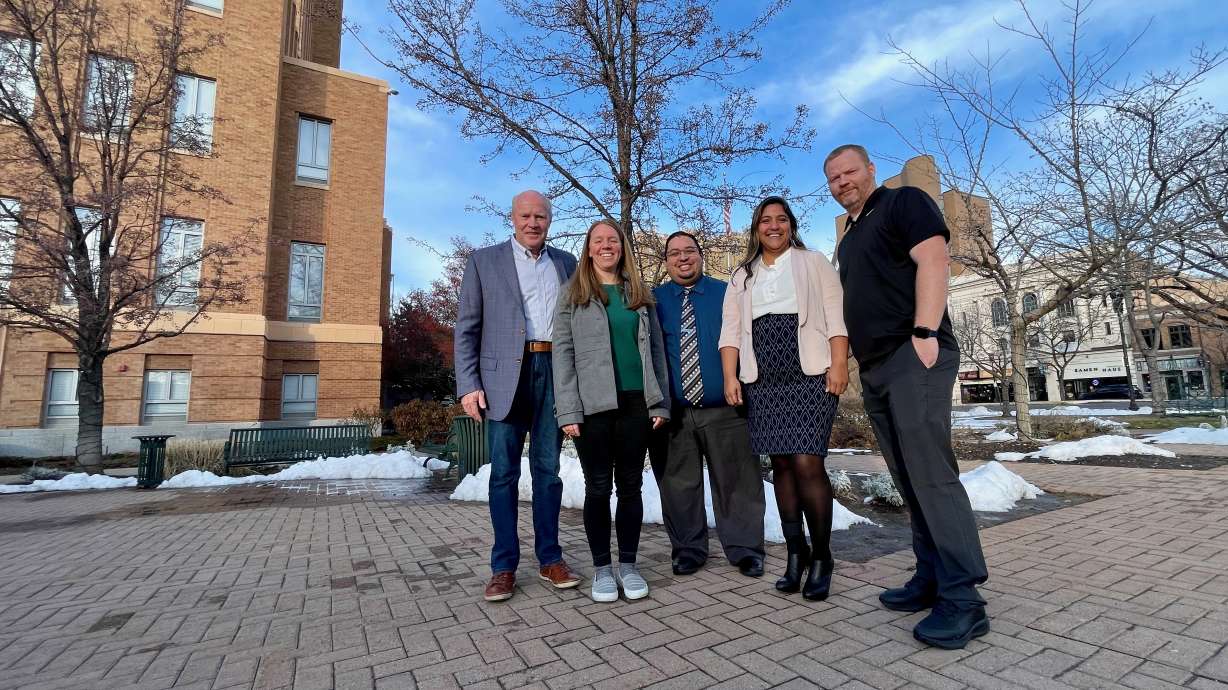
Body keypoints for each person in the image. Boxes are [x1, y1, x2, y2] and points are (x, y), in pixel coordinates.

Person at [826, 143, 989, 649]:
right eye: (833, 177)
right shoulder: (850, 237)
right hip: (877, 368)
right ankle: (931, 576)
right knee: (908, 478)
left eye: (850, 171)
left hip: (911, 354)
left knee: (932, 476)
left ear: (870, 169)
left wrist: (924, 332)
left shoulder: (903, 202)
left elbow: (934, 259)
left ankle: (963, 599)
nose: (842, 182)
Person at [718, 196, 849, 601]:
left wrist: (839, 364)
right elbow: (730, 331)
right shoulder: (742, 276)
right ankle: (797, 553)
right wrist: (730, 376)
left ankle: (822, 556)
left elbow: (836, 316)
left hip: (809, 374)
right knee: (781, 465)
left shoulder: (813, 262)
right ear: (756, 229)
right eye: (765, 221)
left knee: (807, 461)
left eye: (780, 219)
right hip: (763, 380)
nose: (773, 226)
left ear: (790, 225)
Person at [455, 190, 582, 602]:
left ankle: (550, 558)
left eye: (540, 216)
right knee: (503, 474)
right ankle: (503, 566)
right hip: (502, 378)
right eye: (525, 216)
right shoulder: (483, 261)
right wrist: (468, 384)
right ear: (512, 218)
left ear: (550, 220)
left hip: (554, 372)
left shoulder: (567, 263)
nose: (533, 223)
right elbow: (467, 328)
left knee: (548, 471)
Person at [553, 219, 671, 603]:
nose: (606, 246)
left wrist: (660, 402)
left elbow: (656, 352)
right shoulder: (572, 294)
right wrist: (568, 410)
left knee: (631, 486)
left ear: (622, 247)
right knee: (599, 487)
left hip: (637, 402)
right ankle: (602, 568)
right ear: (588, 249)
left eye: (613, 240)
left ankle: (629, 566)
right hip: (592, 407)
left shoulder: (638, 292)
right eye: (598, 241)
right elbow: (562, 355)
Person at [649, 231, 766, 578]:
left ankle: (746, 550)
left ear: (700, 255)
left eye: (689, 251)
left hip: (726, 408)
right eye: (674, 253)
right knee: (678, 485)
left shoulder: (727, 293)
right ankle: (688, 549)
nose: (682, 258)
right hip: (674, 413)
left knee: (737, 482)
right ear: (666, 261)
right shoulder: (653, 301)